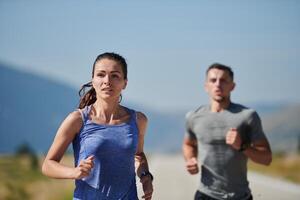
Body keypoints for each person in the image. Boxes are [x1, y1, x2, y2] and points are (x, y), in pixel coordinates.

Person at [42, 52, 153, 200]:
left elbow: (138, 155)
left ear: (125, 82)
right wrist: (74, 172)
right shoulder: (77, 119)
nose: (107, 81)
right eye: (101, 74)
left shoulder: (138, 120)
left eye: (115, 75)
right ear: (93, 80)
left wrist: (145, 176)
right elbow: (48, 165)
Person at [182, 63, 272, 200]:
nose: (218, 84)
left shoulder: (247, 116)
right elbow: (188, 144)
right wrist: (190, 159)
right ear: (206, 86)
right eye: (213, 80)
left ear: (232, 86)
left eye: (223, 80)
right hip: (205, 195)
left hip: (240, 196)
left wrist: (242, 146)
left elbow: (266, 158)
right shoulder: (194, 117)